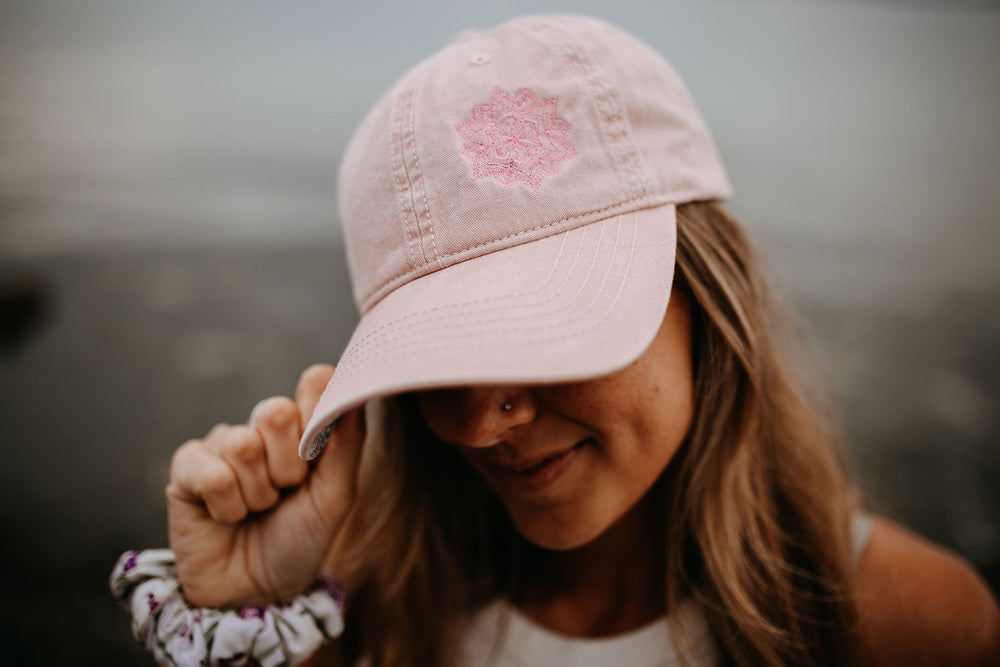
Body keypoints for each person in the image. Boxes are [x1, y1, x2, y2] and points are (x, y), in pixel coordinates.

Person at [111, 14, 1000, 667]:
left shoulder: (910, 624)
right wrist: (246, 610)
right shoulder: (358, 616)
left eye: (546, 329)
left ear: (702, 288)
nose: (474, 421)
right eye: (439, 354)